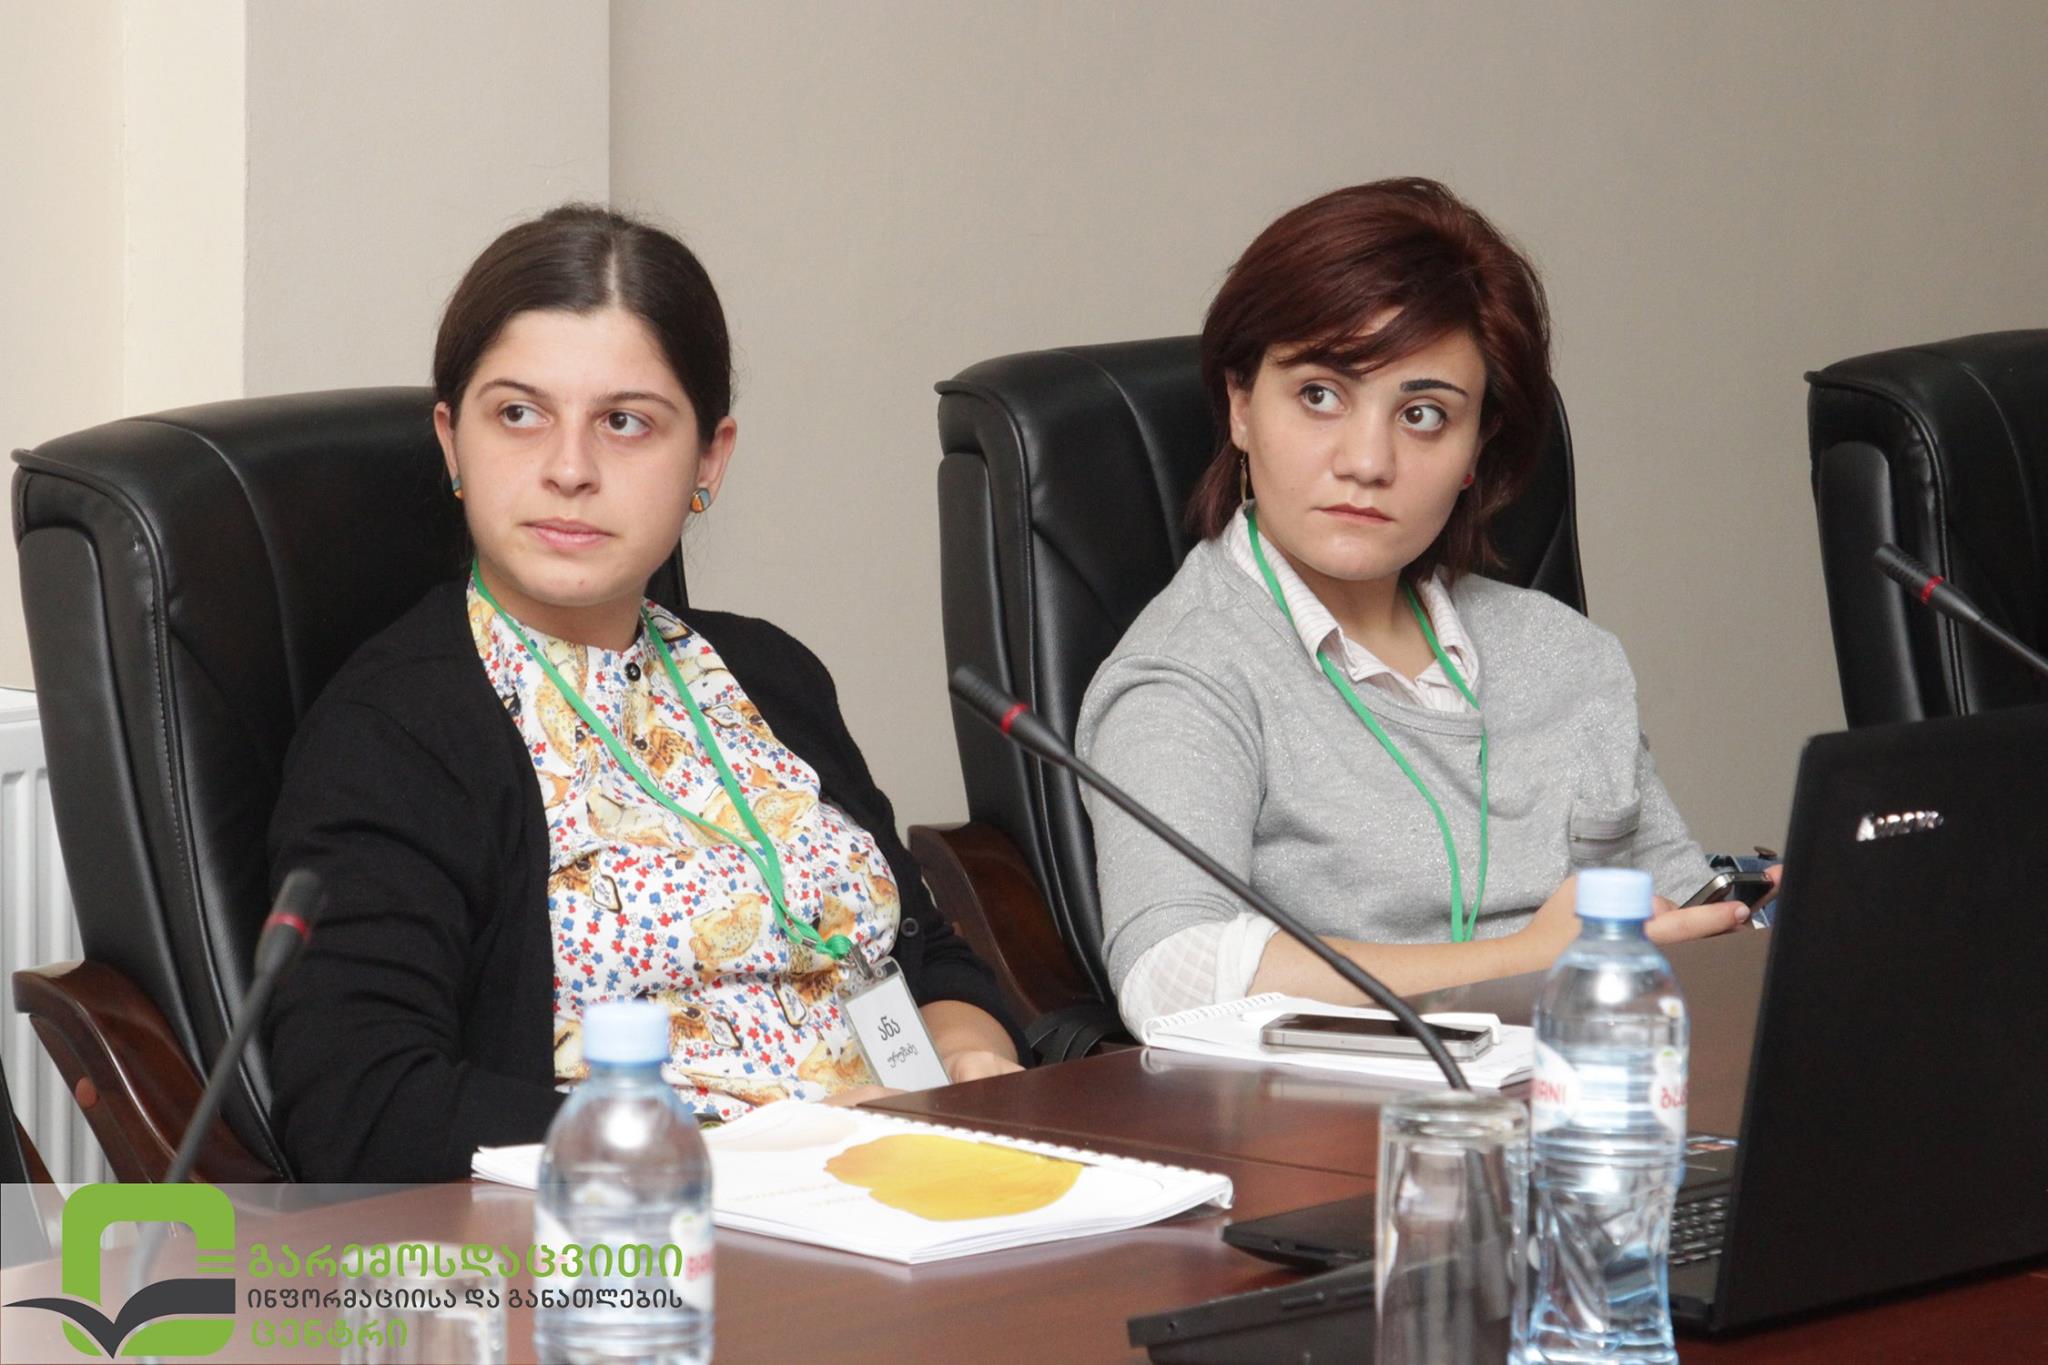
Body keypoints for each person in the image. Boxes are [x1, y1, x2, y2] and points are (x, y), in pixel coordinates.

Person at [264, 205, 1021, 1182]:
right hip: (649, 1229)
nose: (569, 469)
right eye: (518, 414)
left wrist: (969, 1054)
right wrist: (754, 1143)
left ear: (709, 458)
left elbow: (916, 953)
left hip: (914, 1183)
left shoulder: (769, 674)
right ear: (452, 443)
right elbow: (360, 1108)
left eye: (624, 422)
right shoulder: (396, 734)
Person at [1076, 179, 1773, 1034]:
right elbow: (1170, 975)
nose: (1368, 461)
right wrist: (1527, 958)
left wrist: (1747, 920)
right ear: (1241, 406)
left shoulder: (1567, 654)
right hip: (1348, 1112)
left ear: (1477, 449)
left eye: (1423, 414)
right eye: (1320, 395)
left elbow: (1676, 912)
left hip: (1597, 1090)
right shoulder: (1185, 674)